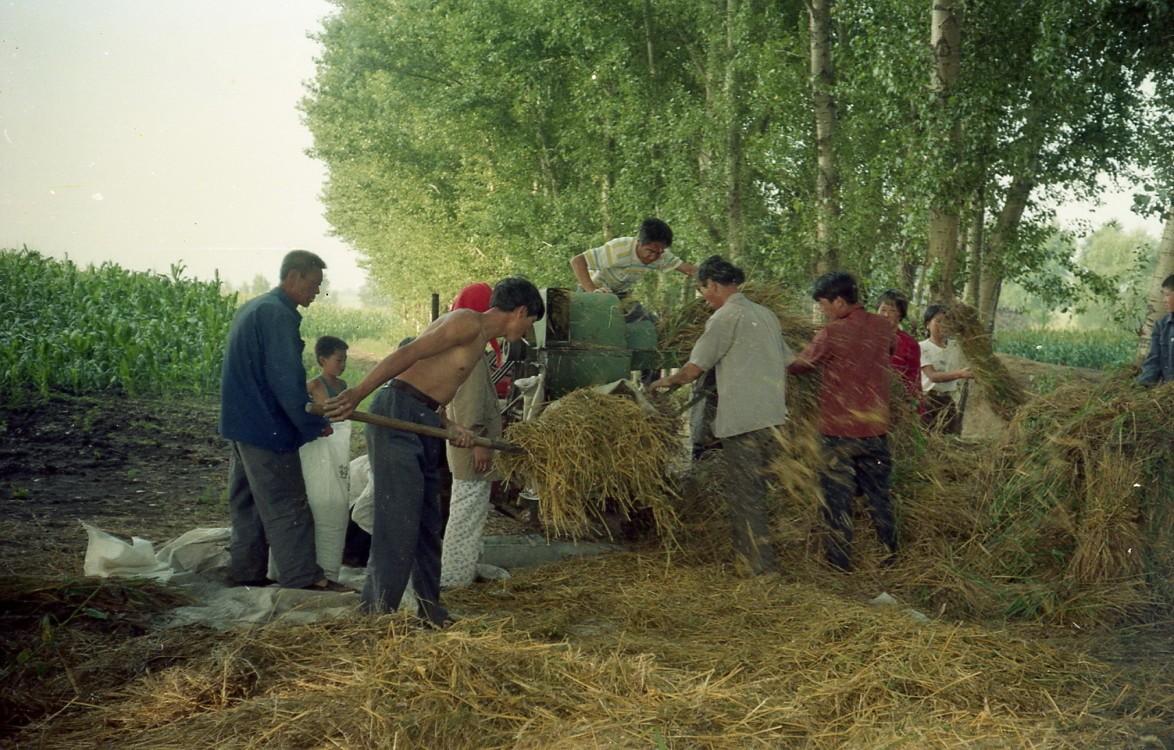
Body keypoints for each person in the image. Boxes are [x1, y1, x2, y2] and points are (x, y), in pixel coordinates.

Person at [325, 277, 545, 626]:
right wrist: (357, 393)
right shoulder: (466, 322)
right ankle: (376, 616)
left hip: (423, 417)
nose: (528, 329)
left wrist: (449, 426)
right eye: (530, 321)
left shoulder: (479, 343)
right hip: (397, 414)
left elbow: (431, 386)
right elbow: (407, 355)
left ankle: (431, 613)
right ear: (520, 311)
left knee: (428, 524)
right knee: (398, 523)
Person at [649, 256, 791, 576]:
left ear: (713, 285)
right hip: (773, 419)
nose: (704, 298)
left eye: (703, 290)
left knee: (746, 495)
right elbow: (788, 360)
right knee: (759, 492)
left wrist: (662, 383)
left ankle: (759, 569)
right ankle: (757, 560)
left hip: (744, 421)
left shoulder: (726, 317)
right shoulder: (766, 314)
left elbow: (693, 370)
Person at [218, 249, 342, 591]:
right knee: (287, 502)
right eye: (314, 284)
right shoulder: (277, 315)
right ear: (293, 277)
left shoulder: (256, 307)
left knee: (249, 503)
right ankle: (302, 577)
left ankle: (246, 571)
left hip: (242, 423)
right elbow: (286, 380)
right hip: (266, 426)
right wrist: (312, 424)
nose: (317, 292)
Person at [787, 271, 897, 572]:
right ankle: (889, 555)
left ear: (838, 301)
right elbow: (890, 351)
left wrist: (782, 355)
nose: (822, 311)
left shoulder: (831, 333)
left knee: (838, 501)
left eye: (823, 304)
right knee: (879, 497)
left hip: (838, 432)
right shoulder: (883, 326)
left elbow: (800, 365)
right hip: (875, 429)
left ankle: (839, 565)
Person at [440, 283, 504, 589]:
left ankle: (461, 571)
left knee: (469, 512)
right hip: (470, 446)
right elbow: (468, 402)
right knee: (466, 513)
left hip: (468, 443)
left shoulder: (469, 346)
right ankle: (454, 580)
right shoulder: (472, 351)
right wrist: (479, 443)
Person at [569, 218, 696, 321]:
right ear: (639, 242)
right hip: (594, 292)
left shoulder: (661, 256)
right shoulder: (619, 249)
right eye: (650, 251)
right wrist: (593, 291)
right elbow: (577, 261)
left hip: (620, 295)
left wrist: (711, 276)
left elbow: (688, 269)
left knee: (651, 323)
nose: (654, 257)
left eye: (659, 252)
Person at [919, 304, 973, 433]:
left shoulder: (955, 347)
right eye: (938, 321)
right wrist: (960, 374)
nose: (942, 326)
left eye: (945, 322)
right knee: (928, 438)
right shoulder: (922, 347)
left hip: (948, 401)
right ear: (927, 324)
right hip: (928, 401)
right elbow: (932, 376)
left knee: (949, 441)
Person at [876, 290, 921, 405]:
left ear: (900, 315)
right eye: (883, 310)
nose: (886, 315)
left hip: (896, 404)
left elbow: (913, 379)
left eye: (892, 311)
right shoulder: (866, 337)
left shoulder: (910, 344)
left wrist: (913, 407)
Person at [1138, 273, 1174, 385]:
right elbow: (1153, 361)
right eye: (1163, 295)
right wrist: (1140, 388)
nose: (1164, 300)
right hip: (1168, 392)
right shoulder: (1162, 325)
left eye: (1168, 295)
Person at [307, 336, 349, 405]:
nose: (343, 365)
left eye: (345, 360)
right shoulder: (313, 385)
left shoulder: (343, 385)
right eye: (339, 360)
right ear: (323, 360)